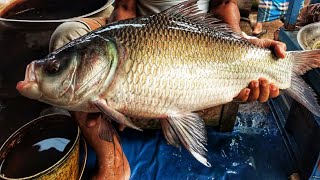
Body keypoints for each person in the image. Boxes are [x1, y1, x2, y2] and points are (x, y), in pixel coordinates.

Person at [50, 0, 287, 179]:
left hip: (197, 34)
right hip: (137, 32)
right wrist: (117, 72)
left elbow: (224, 4)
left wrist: (241, 44)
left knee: (243, 68)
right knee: (66, 36)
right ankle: (112, 159)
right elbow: (124, 8)